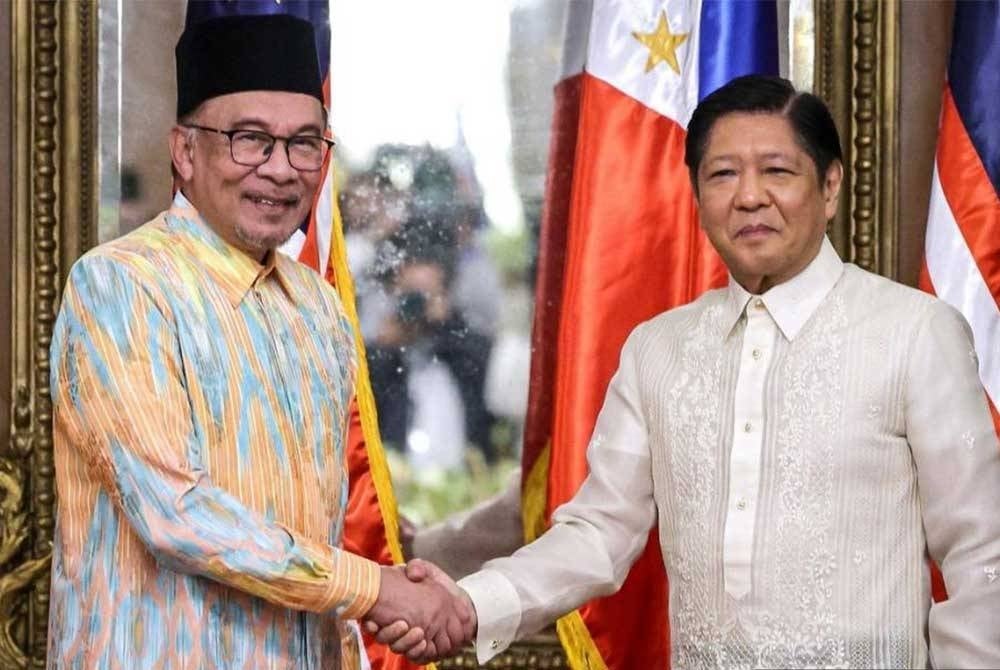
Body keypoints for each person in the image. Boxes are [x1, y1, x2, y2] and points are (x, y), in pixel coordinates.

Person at [376, 74, 1000, 668]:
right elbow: (599, 532)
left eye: (777, 171)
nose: (749, 196)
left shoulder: (915, 333)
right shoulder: (658, 349)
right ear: (698, 195)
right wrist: (469, 603)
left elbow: (981, 552)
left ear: (830, 186)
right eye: (723, 174)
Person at [47, 14, 471, 669]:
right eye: (250, 140)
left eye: (304, 143)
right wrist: (378, 590)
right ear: (185, 151)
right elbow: (176, 515)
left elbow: (318, 531)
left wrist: (391, 602)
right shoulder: (120, 285)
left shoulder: (318, 308)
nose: (280, 170)